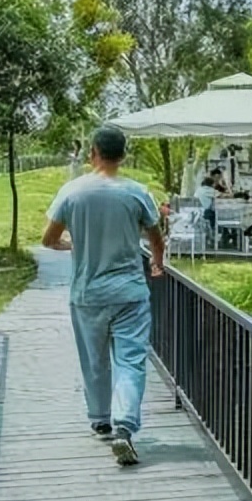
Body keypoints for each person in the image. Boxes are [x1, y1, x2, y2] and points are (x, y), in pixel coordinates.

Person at [42, 125, 166, 467]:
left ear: (92, 153)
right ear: (123, 155)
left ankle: (100, 418)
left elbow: (48, 239)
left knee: (94, 359)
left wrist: (73, 245)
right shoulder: (137, 192)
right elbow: (156, 239)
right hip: (130, 293)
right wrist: (157, 263)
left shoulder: (72, 192)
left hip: (88, 293)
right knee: (131, 361)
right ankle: (124, 425)